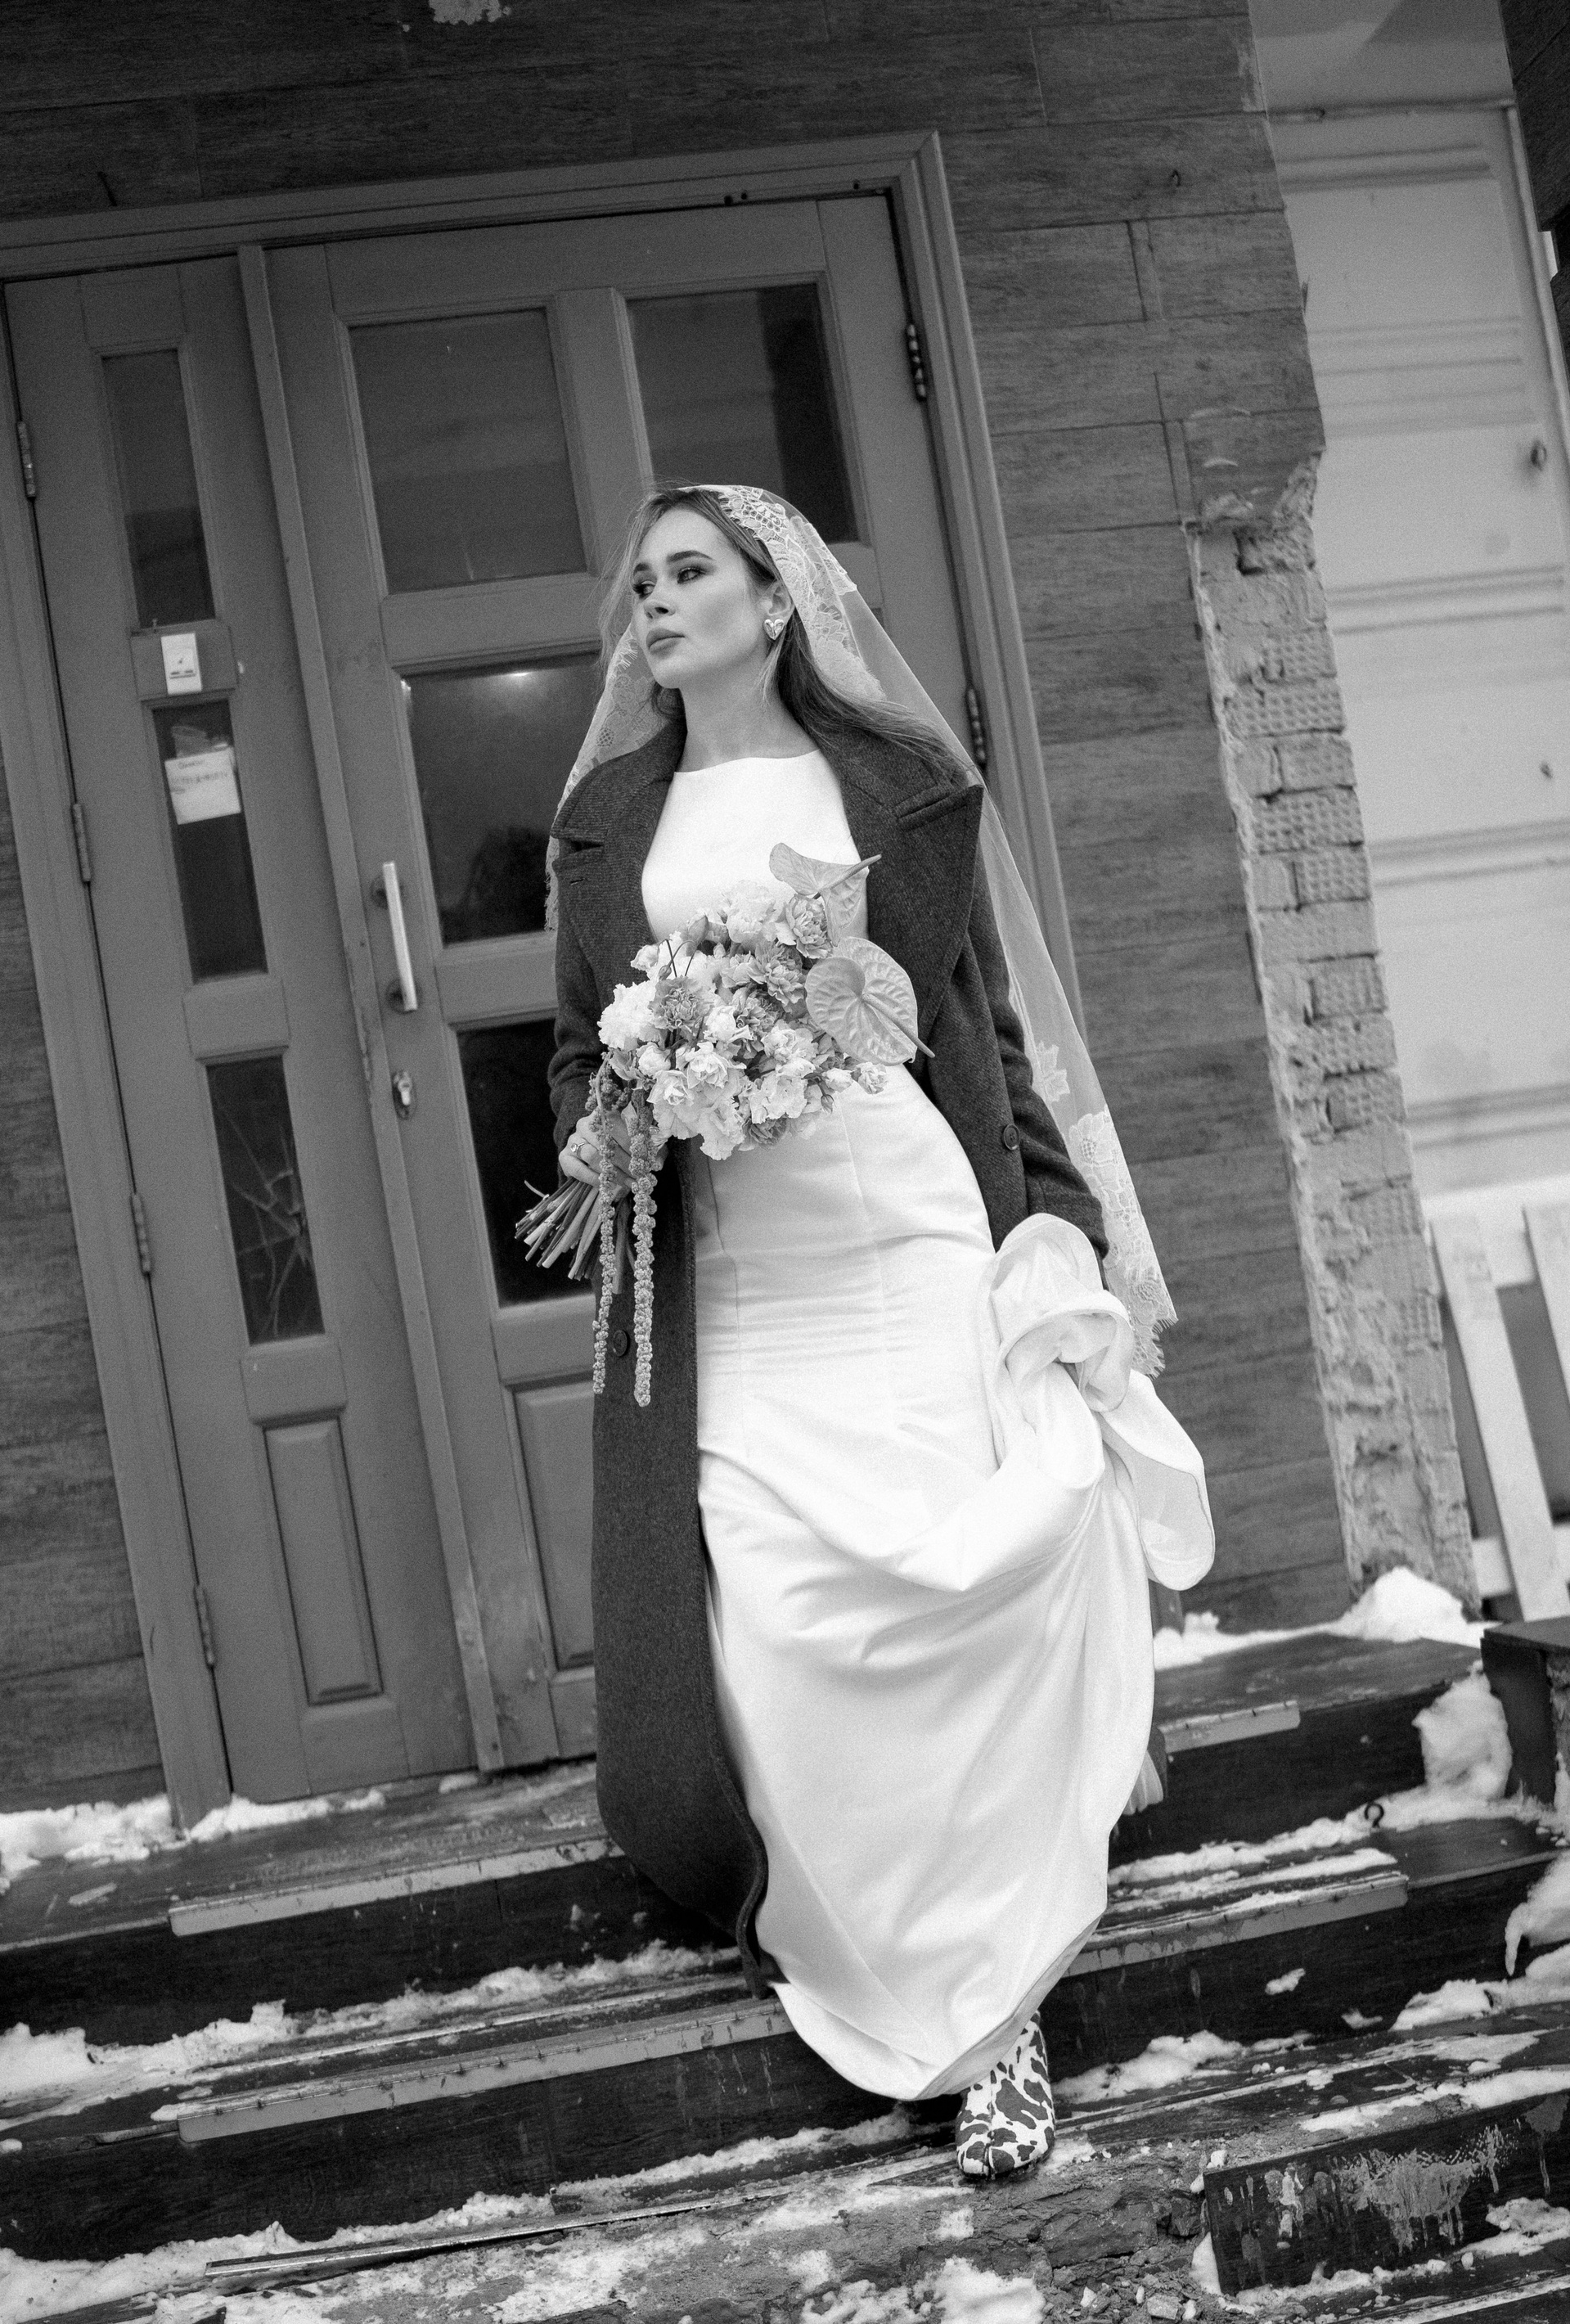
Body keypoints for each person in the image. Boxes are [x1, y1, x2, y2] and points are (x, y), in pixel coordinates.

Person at [547, 484, 1212, 2178]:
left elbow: (983, 1026)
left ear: (777, 602)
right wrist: (614, 1118)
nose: (655, 601)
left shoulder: (901, 785)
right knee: (783, 1608)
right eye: (644, 581)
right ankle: (868, 1943)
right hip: (742, 1276)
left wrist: (1058, 1228)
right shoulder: (606, 822)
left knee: (952, 1595)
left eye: (691, 573)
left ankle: (999, 2023)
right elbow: (574, 1046)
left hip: (910, 1230)